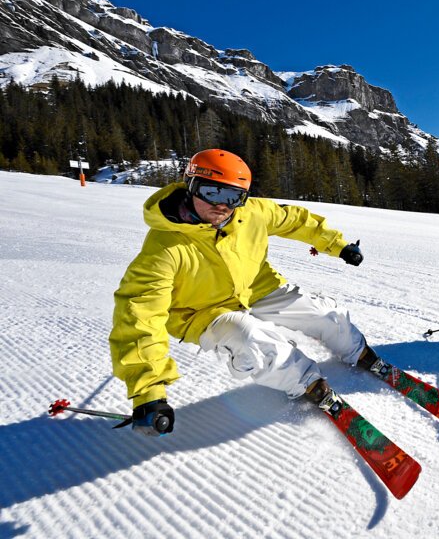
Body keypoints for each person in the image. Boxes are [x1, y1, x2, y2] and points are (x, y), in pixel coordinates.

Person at [110, 148, 379, 436]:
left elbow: (296, 220)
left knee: (326, 316)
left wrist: (337, 245)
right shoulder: (164, 248)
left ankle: (358, 351)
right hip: (202, 311)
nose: (222, 206)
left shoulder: (250, 214)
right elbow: (138, 317)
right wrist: (148, 392)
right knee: (255, 343)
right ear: (191, 185)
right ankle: (307, 383)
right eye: (212, 192)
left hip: (255, 286)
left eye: (233, 197)